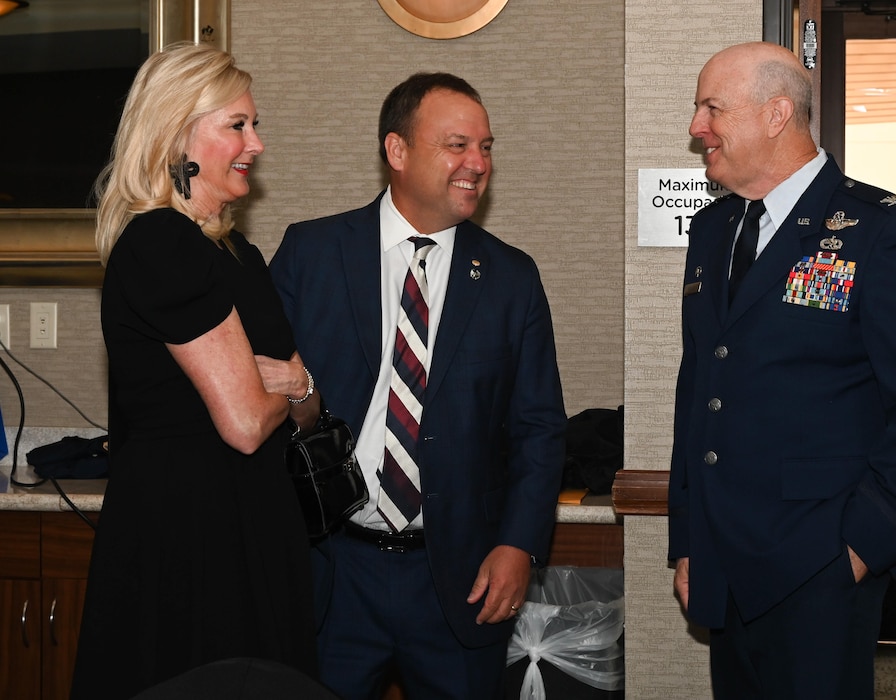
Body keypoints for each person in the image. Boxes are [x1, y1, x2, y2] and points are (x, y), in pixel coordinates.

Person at [668, 41, 896, 699]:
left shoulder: (880, 231)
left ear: (777, 114)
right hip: (724, 557)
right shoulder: (712, 230)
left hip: (820, 563)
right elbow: (699, 390)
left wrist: (864, 545)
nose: (697, 127)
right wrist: (688, 540)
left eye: (711, 107)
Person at [269, 72, 566, 699]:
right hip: (334, 571)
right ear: (396, 151)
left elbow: (539, 428)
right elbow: (262, 397)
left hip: (460, 580)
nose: (477, 163)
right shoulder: (312, 253)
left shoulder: (511, 278)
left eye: (486, 147)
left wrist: (519, 544)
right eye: (457, 145)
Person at [71, 42, 323, 699]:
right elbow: (244, 425)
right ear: (175, 135)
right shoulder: (162, 242)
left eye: (254, 124)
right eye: (236, 125)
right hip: (191, 542)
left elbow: (302, 408)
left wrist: (291, 386)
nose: (256, 144)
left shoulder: (240, 252)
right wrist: (290, 382)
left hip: (252, 531)